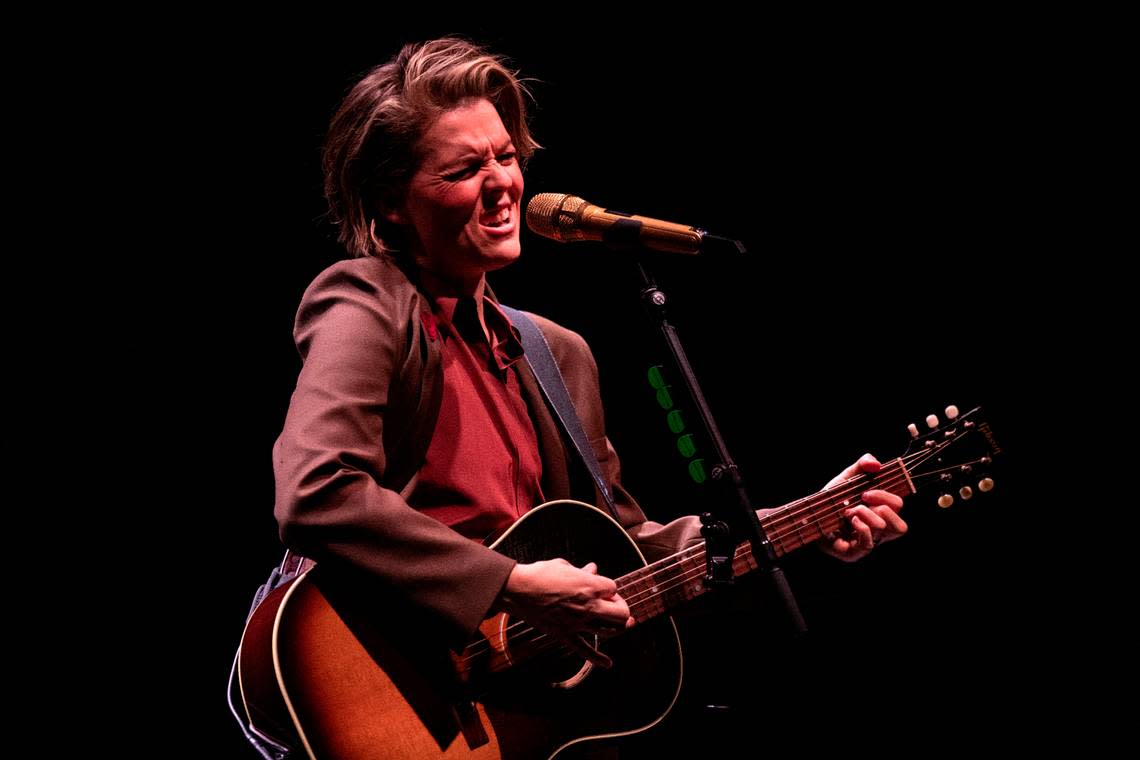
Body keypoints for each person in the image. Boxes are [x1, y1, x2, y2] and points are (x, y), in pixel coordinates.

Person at [269, 36, 907, 755]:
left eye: (506, 157)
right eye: (464, 168)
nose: (502, 183)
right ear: (391, 202)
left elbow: (629, 547)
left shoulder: (555, 352)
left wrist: (803, 522)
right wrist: (507, 583)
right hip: (392, 674)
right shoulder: (368, 301)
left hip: (517, 713)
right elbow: (316, 489)